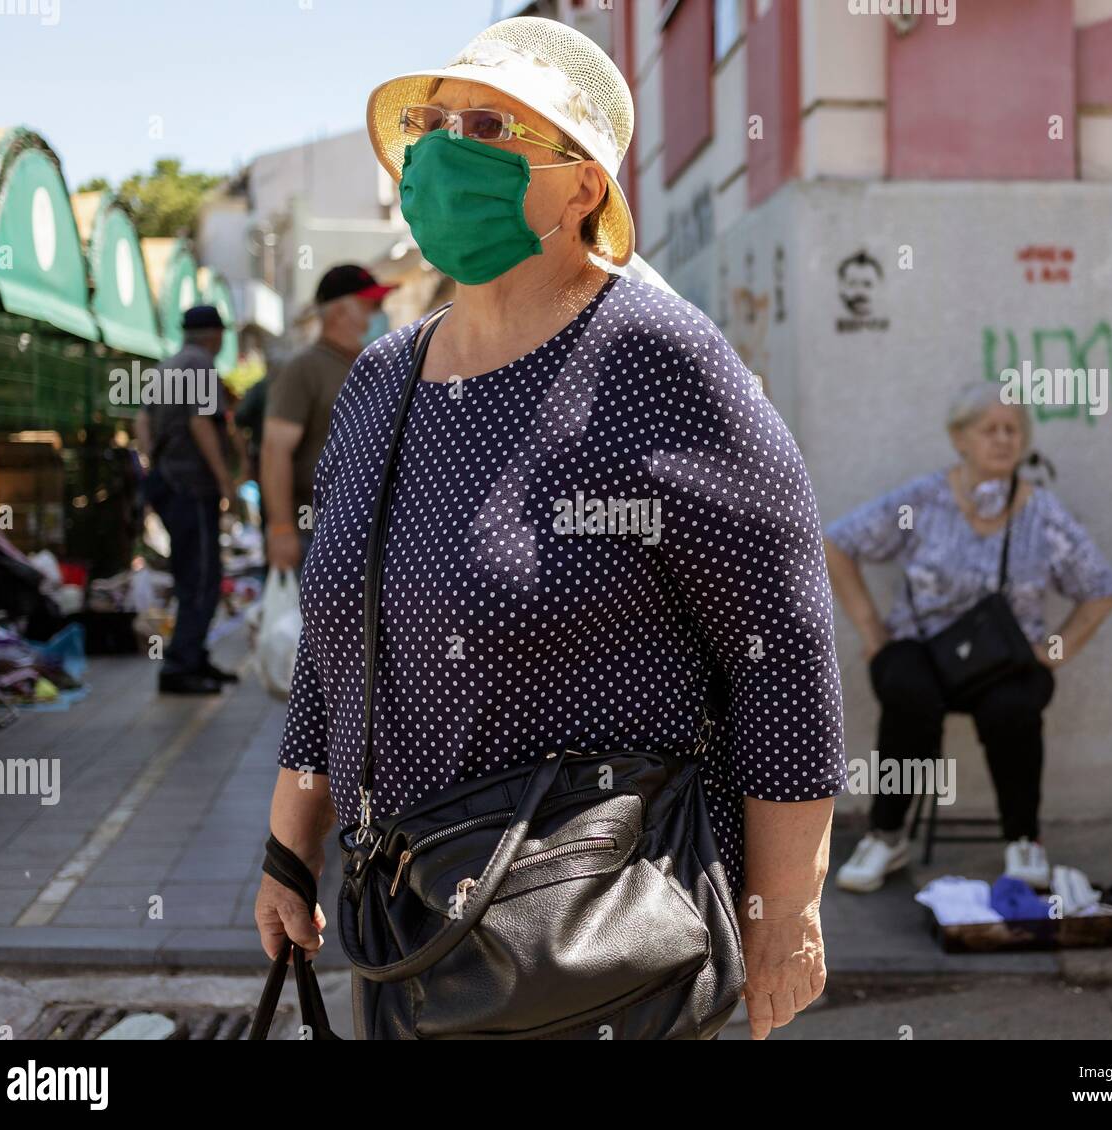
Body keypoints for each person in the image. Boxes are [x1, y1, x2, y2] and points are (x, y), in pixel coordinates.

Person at [253, 16, 848, 1041]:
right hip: (409, 933)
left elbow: (783, 650)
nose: (444, 147)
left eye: (489, 125)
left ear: (582, 187)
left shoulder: (662, 362)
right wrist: (286, 848)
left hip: (604, 939)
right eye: (432, 122)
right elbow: (335, 642)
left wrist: (784, 908)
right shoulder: (381, 381)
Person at [823, 383, 1112, 893]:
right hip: (923, 646)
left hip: (1005, 660)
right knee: (907, 691)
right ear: (960, 438)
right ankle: (886, 835)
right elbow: (838, 543)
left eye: (1013, 430)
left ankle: (1024, 840)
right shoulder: (924, 499)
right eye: (990, 429)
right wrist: (872, 630)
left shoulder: (1042, 511)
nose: (1004, 440)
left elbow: (1100, 590)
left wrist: (1053, 651)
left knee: (1013, 707)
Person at [261, 265, 393, 573]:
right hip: (318, 531)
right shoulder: (303, 369)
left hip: (370, 529)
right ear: (338, 313)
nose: (380, 314)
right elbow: (274, 449)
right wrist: (281, 529)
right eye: (371, 306)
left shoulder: (379, 365)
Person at [139, 305, 240, 694]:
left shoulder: (167, 366)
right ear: (214, 334)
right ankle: (180, 666)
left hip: (168, 484)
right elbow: (201, 422)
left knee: (189, 574)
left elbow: (142, 420)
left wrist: (155, 463)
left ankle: (194, 657)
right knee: (202, 578)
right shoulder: (200, 364)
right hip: (193, 488)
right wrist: (224, 481)